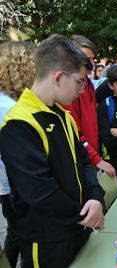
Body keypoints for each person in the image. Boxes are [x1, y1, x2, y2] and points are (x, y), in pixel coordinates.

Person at [0, 34, 105, 267]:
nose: (83, 89)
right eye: (80, 81)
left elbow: (84, 163)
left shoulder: (63, 115)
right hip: (47, 240)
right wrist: (85, 214)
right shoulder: (18, 123)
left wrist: (96, 198)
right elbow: (39, 190)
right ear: (59, 77)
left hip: (78, 227)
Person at [0, 41, 36, 268]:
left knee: (16, 231)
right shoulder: (9, 105)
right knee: (20, 233)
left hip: (11, 182)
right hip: (12, 183)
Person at [64, 35, 116, 177]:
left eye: (92, 59)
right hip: (82, 160)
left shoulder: (88, 82)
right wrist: (95, 158)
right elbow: (74, 130)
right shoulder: (69, 88)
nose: (91, 64)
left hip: (93, 155)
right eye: (86, 59)